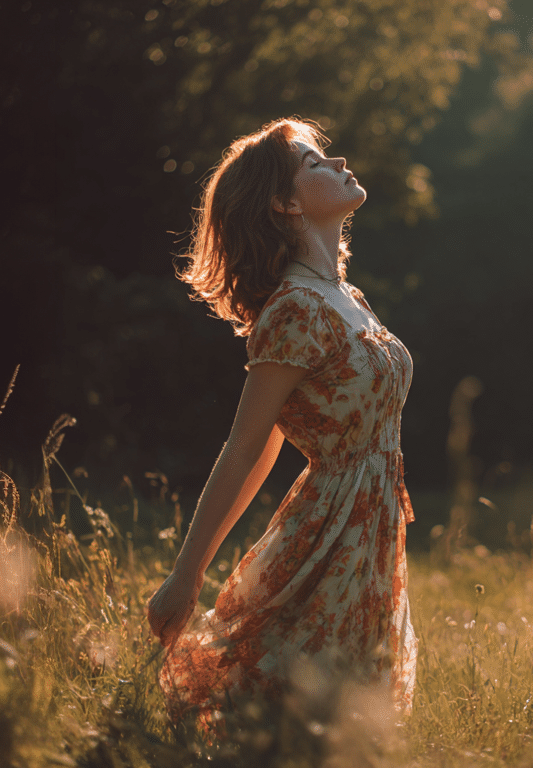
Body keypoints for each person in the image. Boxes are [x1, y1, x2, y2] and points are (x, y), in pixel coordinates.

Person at [145, 118, 416, 734]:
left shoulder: (347, 296)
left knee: (341, 719)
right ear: (285, 203)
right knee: (296, 712)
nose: (340, 161)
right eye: (315, 163)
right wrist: (186, 576)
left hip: (370, 524)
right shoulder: (295, 310)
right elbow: (248, 450)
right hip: (330, 528)